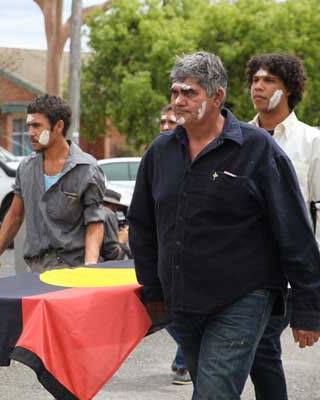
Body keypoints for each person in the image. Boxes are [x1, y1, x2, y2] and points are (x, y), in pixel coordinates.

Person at [128, 51, 320, 399]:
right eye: (175, 92)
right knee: (210, 387)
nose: (178, 100)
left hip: (244, 297)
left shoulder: (258, 149)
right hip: (182, 301)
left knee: (214, 393)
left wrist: (308, 308)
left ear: (217, 97)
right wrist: (152, 287)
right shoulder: (159, 152)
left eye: (190, 93)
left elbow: (294, 231)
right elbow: (142, 224)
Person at [247, 53, 320, 400]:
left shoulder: (312, 142)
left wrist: (312, 291)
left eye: (269, 80)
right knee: (255, 354)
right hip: (242, 270)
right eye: (255, 80)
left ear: (288, 88)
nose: (258, 87)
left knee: (261, 350)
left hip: (288, 274)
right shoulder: (238, 139)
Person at [0, 94, 106, 274]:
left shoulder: (87, 169)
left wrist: (90, 266)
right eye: (29, 126)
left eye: (37, 126)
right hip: (36, 270)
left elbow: (95, 222)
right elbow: (15, 215)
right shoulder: (26, 167)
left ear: (58, 126)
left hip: (72, 269)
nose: (30, 133)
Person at [158, 103, 192, 385]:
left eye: (171, 122)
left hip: (192, 256)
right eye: (163, 122)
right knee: (165, 312)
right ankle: (189, 355)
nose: (166, 126)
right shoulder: (157, 155)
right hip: (162, 252)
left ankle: (186, 360)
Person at [100, 188, 131, 261]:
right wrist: (122, 241)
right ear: (115, 205)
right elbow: (113, 256)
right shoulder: (108, 214)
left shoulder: (88, 212)